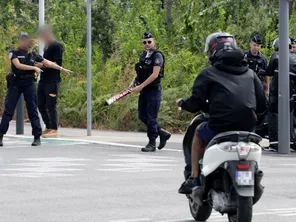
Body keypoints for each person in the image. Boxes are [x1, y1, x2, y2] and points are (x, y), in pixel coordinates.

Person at [176, 32, 266, 194]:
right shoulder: (251, 74)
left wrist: (183, 103)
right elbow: (262, 105)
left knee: (198, 133)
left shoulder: (208, 74)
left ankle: (194, 177)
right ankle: (254, 175)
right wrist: (256, 121)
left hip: (219, 126)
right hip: (247, 128)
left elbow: (195, 103)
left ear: (212, 52)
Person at [0, 32, 72, 147]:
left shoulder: (32, 54)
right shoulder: (13, 53)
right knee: (8, 110)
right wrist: (34, 67)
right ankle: (1, 135)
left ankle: (37, 137)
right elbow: (18, 65)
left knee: (33, 110)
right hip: (16, 83)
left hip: (29, 83)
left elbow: (47, 63)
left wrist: (61, 69)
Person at [130, 32, 171, 152]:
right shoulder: (143, 55)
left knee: (151, 117)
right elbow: (139, 72)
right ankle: (161, 132)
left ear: (154, 42)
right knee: (142, 116)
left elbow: (154, 75)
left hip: (153, 90)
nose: (147, 44)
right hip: (144, 90)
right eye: (144, 42)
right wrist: (132, 84)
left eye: (149, 42)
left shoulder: (157, 56)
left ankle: (152, 143)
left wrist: (140, 86)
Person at [260, 38, 296, 152]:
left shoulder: (276, 56)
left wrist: (262, 72)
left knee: (273, 115)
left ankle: (274, 143)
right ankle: (290, 142)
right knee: (289, 116)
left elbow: (269, 71)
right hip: (291, 93)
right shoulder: (295, 58)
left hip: (277, 92)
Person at [37, 25, 65, 138]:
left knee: (51, 105)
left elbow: (57, 64)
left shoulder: (57, 46)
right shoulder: (46, 46)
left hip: (52, 81)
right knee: (40, 104)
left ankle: (54, 128)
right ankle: (48, 126)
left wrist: (43, 64)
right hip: (43, 79)